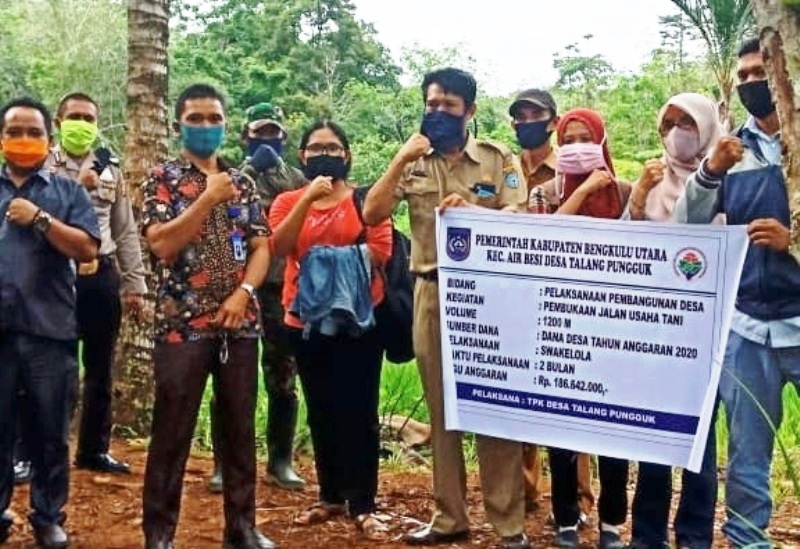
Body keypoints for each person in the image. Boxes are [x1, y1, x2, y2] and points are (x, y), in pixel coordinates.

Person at [363, 67, 530, 549]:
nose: (437, 112)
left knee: (495, 408)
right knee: (442, 410)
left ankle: (508, 524)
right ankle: (449, 517)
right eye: (431, 104)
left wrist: (476, 214)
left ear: (470, 112)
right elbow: (371, 213)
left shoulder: (497, 159)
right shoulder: (414, 161)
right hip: (432, 291)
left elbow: (520, 216)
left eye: (448, 106)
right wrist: (400, 157)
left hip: (491, 295)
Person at [674, 38, 800, 549]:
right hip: (746, 323)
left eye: (760, 72)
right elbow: (687, 227)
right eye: (743, 75)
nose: (751, 82)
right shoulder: (733, 148)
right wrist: (710, 172)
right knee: (749, 452)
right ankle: (749, 540)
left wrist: (795, 244)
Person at [140, 83, 274, 549]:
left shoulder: (243, 181)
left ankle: (242, 528)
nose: (205, 127)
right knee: (172, 432)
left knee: (239, 429)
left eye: (213, 118)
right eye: (195, 119)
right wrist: (207, 198)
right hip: (183, 325)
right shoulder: (161, 178)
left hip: (239, 323)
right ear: (179, 124)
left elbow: (262, 247)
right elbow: (162, 244)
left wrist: (244, 293)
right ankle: (159, 534)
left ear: (225, 123)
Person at [269, 120, 393, 541]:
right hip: (303, 322)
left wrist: (321, 262)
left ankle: (364, 503)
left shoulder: (365, 199)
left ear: (348, 154)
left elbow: (381, 250)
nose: (326, 153)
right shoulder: (288, 201)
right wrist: (309, 199)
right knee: (320, 407)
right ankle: (330, 495)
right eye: (316, 148)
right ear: (301, 157)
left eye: (334, 147)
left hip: (360, 319)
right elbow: (280, 247)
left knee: (359, 411)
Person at [0, 97, 100, 549]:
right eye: (14, 131)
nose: (23, 140)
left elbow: (87, 249)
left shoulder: (67, 193)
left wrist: (39, 219)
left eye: (33, 132)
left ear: (48, 137)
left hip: (49, 332)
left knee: (50, 432)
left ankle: (47, 516)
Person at [625, 92, 724, 549]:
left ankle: (694, 534)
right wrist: (640, 195)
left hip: (707, 332)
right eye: (668, 123)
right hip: (652, 329)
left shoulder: (726, 177)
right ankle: (647, 535)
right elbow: (625, 250)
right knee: (653, 440)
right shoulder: (651, 178)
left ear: (705, 126)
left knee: (699, 441)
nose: (676, 132)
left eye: (686, 122)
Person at [534, 108, 631, 549]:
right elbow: (543, 242)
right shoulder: (543, 193)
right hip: (560, 321)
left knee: (613, 428)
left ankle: (612, 523)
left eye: (584, 137)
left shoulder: (627, 193)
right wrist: (584, 189)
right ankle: (566, 519)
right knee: (562, 430)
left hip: (614, 325)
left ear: (602, 140)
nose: (576, 146)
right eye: (567, 138)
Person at [207, 102, 306, 494]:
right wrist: (248, 171)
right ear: (246, 136)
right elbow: (218, 214)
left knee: (283, 377)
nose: (267, 140)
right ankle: (223, 463)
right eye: (259, 133)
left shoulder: (296, 178)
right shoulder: (228, 176)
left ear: (283, 138)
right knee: (231, 378)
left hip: (281, 289)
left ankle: (280, 461)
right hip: (238, 288)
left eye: (274, 134)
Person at [47, 92, 146, 474]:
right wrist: (75, 185)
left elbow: (124, 229)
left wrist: (134, 284)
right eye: (75, 117)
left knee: (101, 368)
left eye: (89, 119)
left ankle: (93, 450)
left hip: (101, 276)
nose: (82, 125)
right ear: (58, 122)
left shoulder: (110, 167)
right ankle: (35, 451)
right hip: (55, 276)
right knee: (54, 367)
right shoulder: (42, 165)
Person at [510, 88, 596, 522]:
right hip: (521, 294)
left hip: (571, 296)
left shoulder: (572, 167)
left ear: (551, 121)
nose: (526, 121)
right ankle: (527, 495)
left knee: (571, 401)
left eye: (534, 114)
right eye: (519, 115)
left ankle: (580, 499)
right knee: (523, 397)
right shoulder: (506, 167)